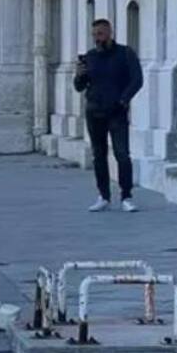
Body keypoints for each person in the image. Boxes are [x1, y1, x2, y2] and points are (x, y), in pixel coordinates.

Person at [75, 18, 144, 212]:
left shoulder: (125, 53)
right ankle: (103, 196)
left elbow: (137, 80)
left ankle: (127, 196)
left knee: (122, 154)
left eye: (101, 34)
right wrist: (79, 74)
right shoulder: (89, 57)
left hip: (117, 112)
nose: (97, 38)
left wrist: (123, 100)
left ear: (110, 33)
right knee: (99, 155)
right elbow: (79, 87)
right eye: (95, 35)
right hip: (94, 112)